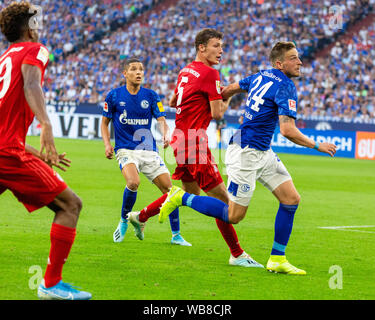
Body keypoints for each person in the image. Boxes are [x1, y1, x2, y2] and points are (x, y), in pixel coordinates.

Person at [158, 41, 337, 275]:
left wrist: (216, 99)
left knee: (291, 198)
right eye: (294, 58)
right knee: (233, 215)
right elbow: (287, 130)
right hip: (246, 152)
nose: (300, 62)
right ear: (280, 63)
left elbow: (229, 89)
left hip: (261, 150)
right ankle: (181, 197)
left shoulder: (260, 76)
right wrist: (317, 145)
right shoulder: (285, 86)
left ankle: (277, 258)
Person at [129, 28, 262, 268]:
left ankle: (141, 216)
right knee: (226, 204)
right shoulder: (211, 73)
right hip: (194, 143)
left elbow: (172, 102)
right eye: (216, 45)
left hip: (180, 140)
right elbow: (218, 113)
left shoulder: (185, 70)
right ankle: (237, 254)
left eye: (222, 45)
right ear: (201, 47)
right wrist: (231, 92)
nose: (221, 50)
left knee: (191, 195)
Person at [0, 2, 91, 299]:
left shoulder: (4, 58)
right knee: (70, 206)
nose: (40, 25)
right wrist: (46, 126)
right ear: (28, 27)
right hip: (7, 154)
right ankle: (50, 285)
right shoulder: (34, 50)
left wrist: (38, 154)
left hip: (6, 148)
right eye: (36, 21)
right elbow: (31, 85)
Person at [101, 57, 190, 246]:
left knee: (170, 191)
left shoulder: (151, 95)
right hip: (125, 149)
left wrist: (166, 134)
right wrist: (107, 144)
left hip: (148, 150)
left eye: (141, 69)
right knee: (133, 182)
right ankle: (124, 220)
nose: (139, 72)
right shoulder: (114, 95)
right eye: (133, 69)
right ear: (125, 73)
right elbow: (104, 122)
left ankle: (176, 235)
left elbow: (161, 119)